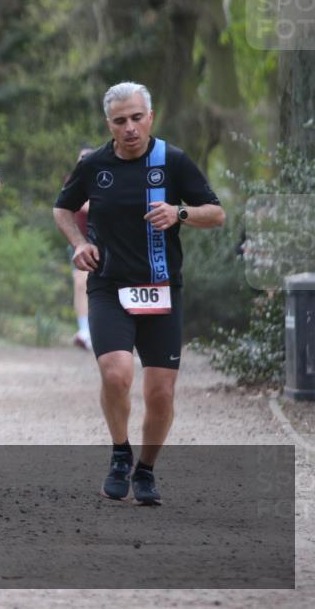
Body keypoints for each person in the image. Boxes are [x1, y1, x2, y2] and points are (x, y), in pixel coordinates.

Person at [53, 81, 224, 505]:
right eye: (119, 121)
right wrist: (80, 244)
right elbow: (61, 208)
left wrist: (179, 212)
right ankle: (119, 452)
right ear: (108, 124)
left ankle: (145, 470)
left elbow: (216, 213)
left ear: (150, 117)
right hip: (110, 286)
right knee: (116, 374)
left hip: (162, 288)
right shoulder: (94, 165)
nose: (129, 127)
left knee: (160, 393)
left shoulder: (173, 161)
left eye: (136, 118)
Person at [68, 145, 95, 351]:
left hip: (106, 243)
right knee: (80, 283)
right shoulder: (74, 181)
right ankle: (85, 330)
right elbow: (79, 205)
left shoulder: (106, 178)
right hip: (80, 241)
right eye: (80, 159)